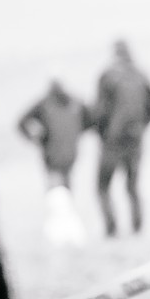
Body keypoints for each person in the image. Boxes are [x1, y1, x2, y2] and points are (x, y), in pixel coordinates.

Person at [18, 76, 93, 247]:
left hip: (52, 155)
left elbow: (21, 122)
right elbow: (90, 120)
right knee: (64, 192)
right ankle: (66, 231)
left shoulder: (45, 104)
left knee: (56, 194)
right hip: (69, 155)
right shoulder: (75, 103)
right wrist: (75, 134)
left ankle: (59, 232)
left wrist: (35, 137)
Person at [92, 40, 150, 237]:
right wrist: (140, 128)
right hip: (135, 140)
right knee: (132, 187)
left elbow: (100, 111)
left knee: (102, 187)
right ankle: (137, 229)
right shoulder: (142, 75)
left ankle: (111, 229)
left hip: (112, 141)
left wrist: (103, 133)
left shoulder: (108, 76)